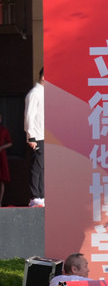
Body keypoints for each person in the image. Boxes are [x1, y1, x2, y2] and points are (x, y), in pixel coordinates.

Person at [24, 67, 43, 205]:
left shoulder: (43, 93)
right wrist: (31, 136)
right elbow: (29, 116)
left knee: (43, 167)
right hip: (37, 135)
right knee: (37, 166)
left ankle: (41, 195)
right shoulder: (35, 93)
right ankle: (34, 196)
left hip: (45, 135)